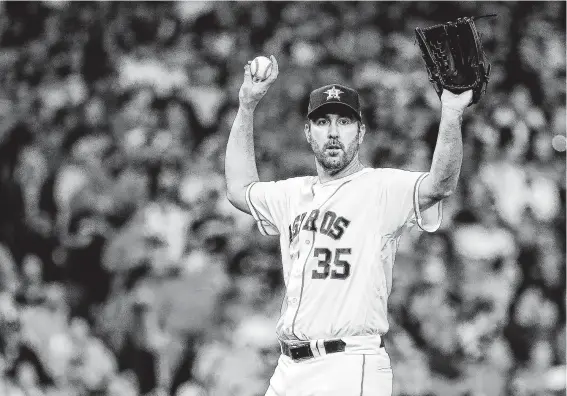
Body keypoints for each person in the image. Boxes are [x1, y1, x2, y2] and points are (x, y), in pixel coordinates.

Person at [224, 55, 473, 396]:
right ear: (308, 132)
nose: (333, 132)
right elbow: (238, 189)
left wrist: (452, 113)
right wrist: (247, 105)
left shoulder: (382, 188)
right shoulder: (291, 193)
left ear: (361, 132)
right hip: (288, 369)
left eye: (344, 122)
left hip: (348, 364)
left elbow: (440, 184)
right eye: (323, 122)